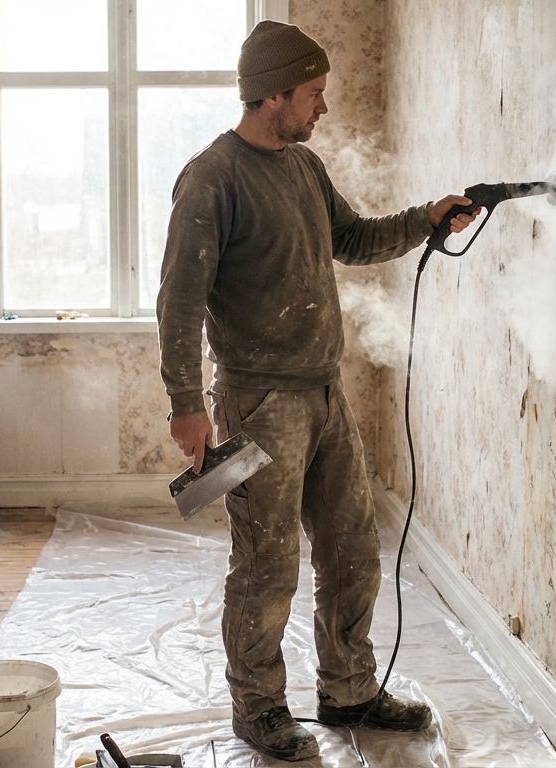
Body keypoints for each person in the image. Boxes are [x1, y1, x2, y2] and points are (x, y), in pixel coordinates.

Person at [155, 19, 480, 764]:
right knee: (268, 564)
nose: (322, 109)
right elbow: (178, 300)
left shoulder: (303, 169)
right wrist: (186, 406)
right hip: (257, 402)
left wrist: (426, 220)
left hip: (323, 393)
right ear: (272, 95)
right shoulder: (212, 179)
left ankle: (349, 688)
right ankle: (260, 708)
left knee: (353, 548)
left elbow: (357, 239)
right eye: (312, 94)